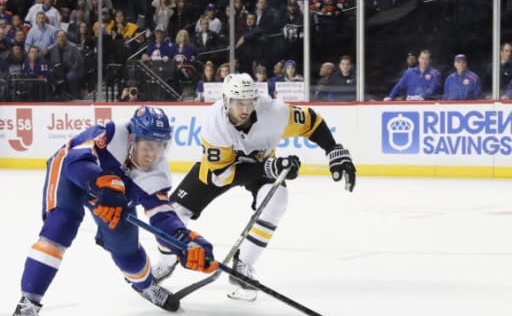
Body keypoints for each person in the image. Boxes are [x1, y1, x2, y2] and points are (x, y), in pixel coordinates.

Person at [150, 74, 356, 301]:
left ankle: (243, 266)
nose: (246, 108)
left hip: (262, 165)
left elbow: (312, 122)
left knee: (277, 200)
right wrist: (269, 167)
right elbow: (223, 175)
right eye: (239, 102)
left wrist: (333, 149)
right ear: (227, 101)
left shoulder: (275, 112)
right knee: (175, 211)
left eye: (250, 102)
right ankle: (166, 261)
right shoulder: (214, 124)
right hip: (221, 169)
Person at [13, 106, 219, 316]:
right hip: (71, 178)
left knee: (126, 249)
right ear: (132, 138)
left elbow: (162, 216)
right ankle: (29, 302)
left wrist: (185, 241)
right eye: (148, 145)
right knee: (59, 228)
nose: (153, 154)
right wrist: (100, 182)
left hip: (113, 194)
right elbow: (75, 162)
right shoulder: (110, 134)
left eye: (160, 146)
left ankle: (146, 286)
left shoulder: (157, 173)